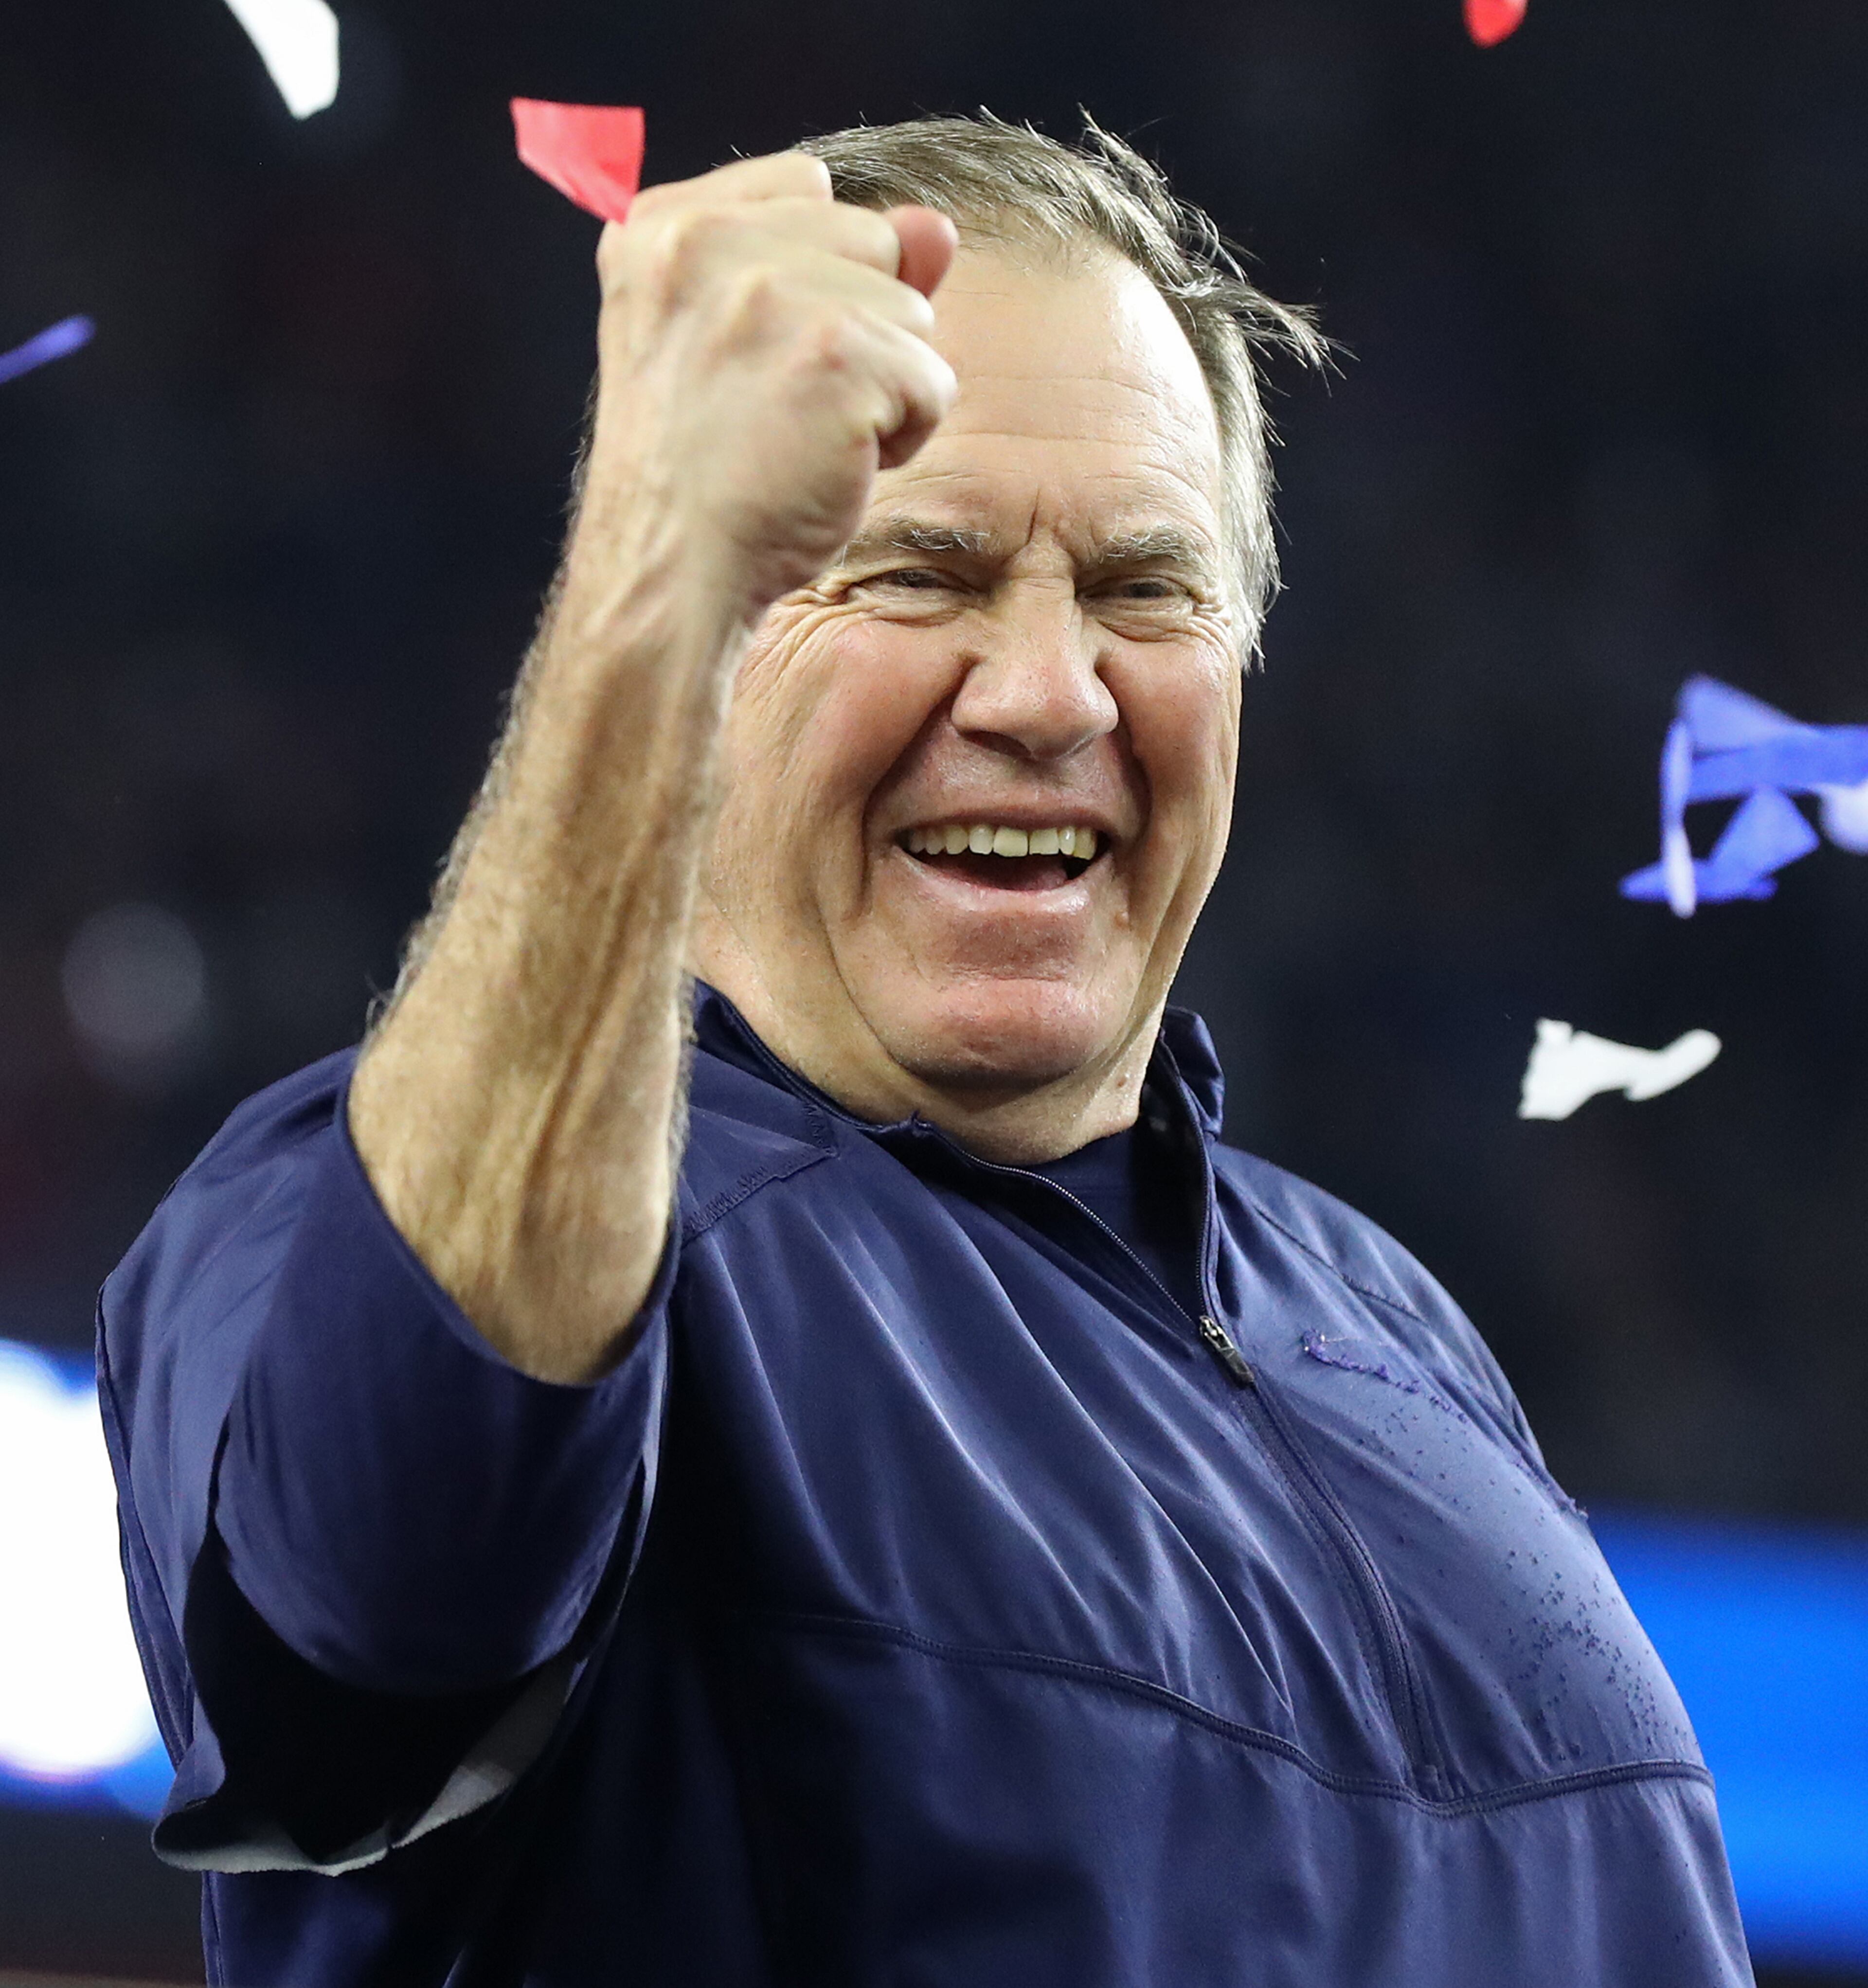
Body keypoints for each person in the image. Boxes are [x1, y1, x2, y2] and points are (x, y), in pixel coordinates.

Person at [99, 115, 1753, 1987]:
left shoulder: (1400, 1329)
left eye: (1146, 589)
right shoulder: (374, 1207)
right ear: (705, 636)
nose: (1054, 692)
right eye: (916, 574)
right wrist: (652, 571)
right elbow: (368, 1630)